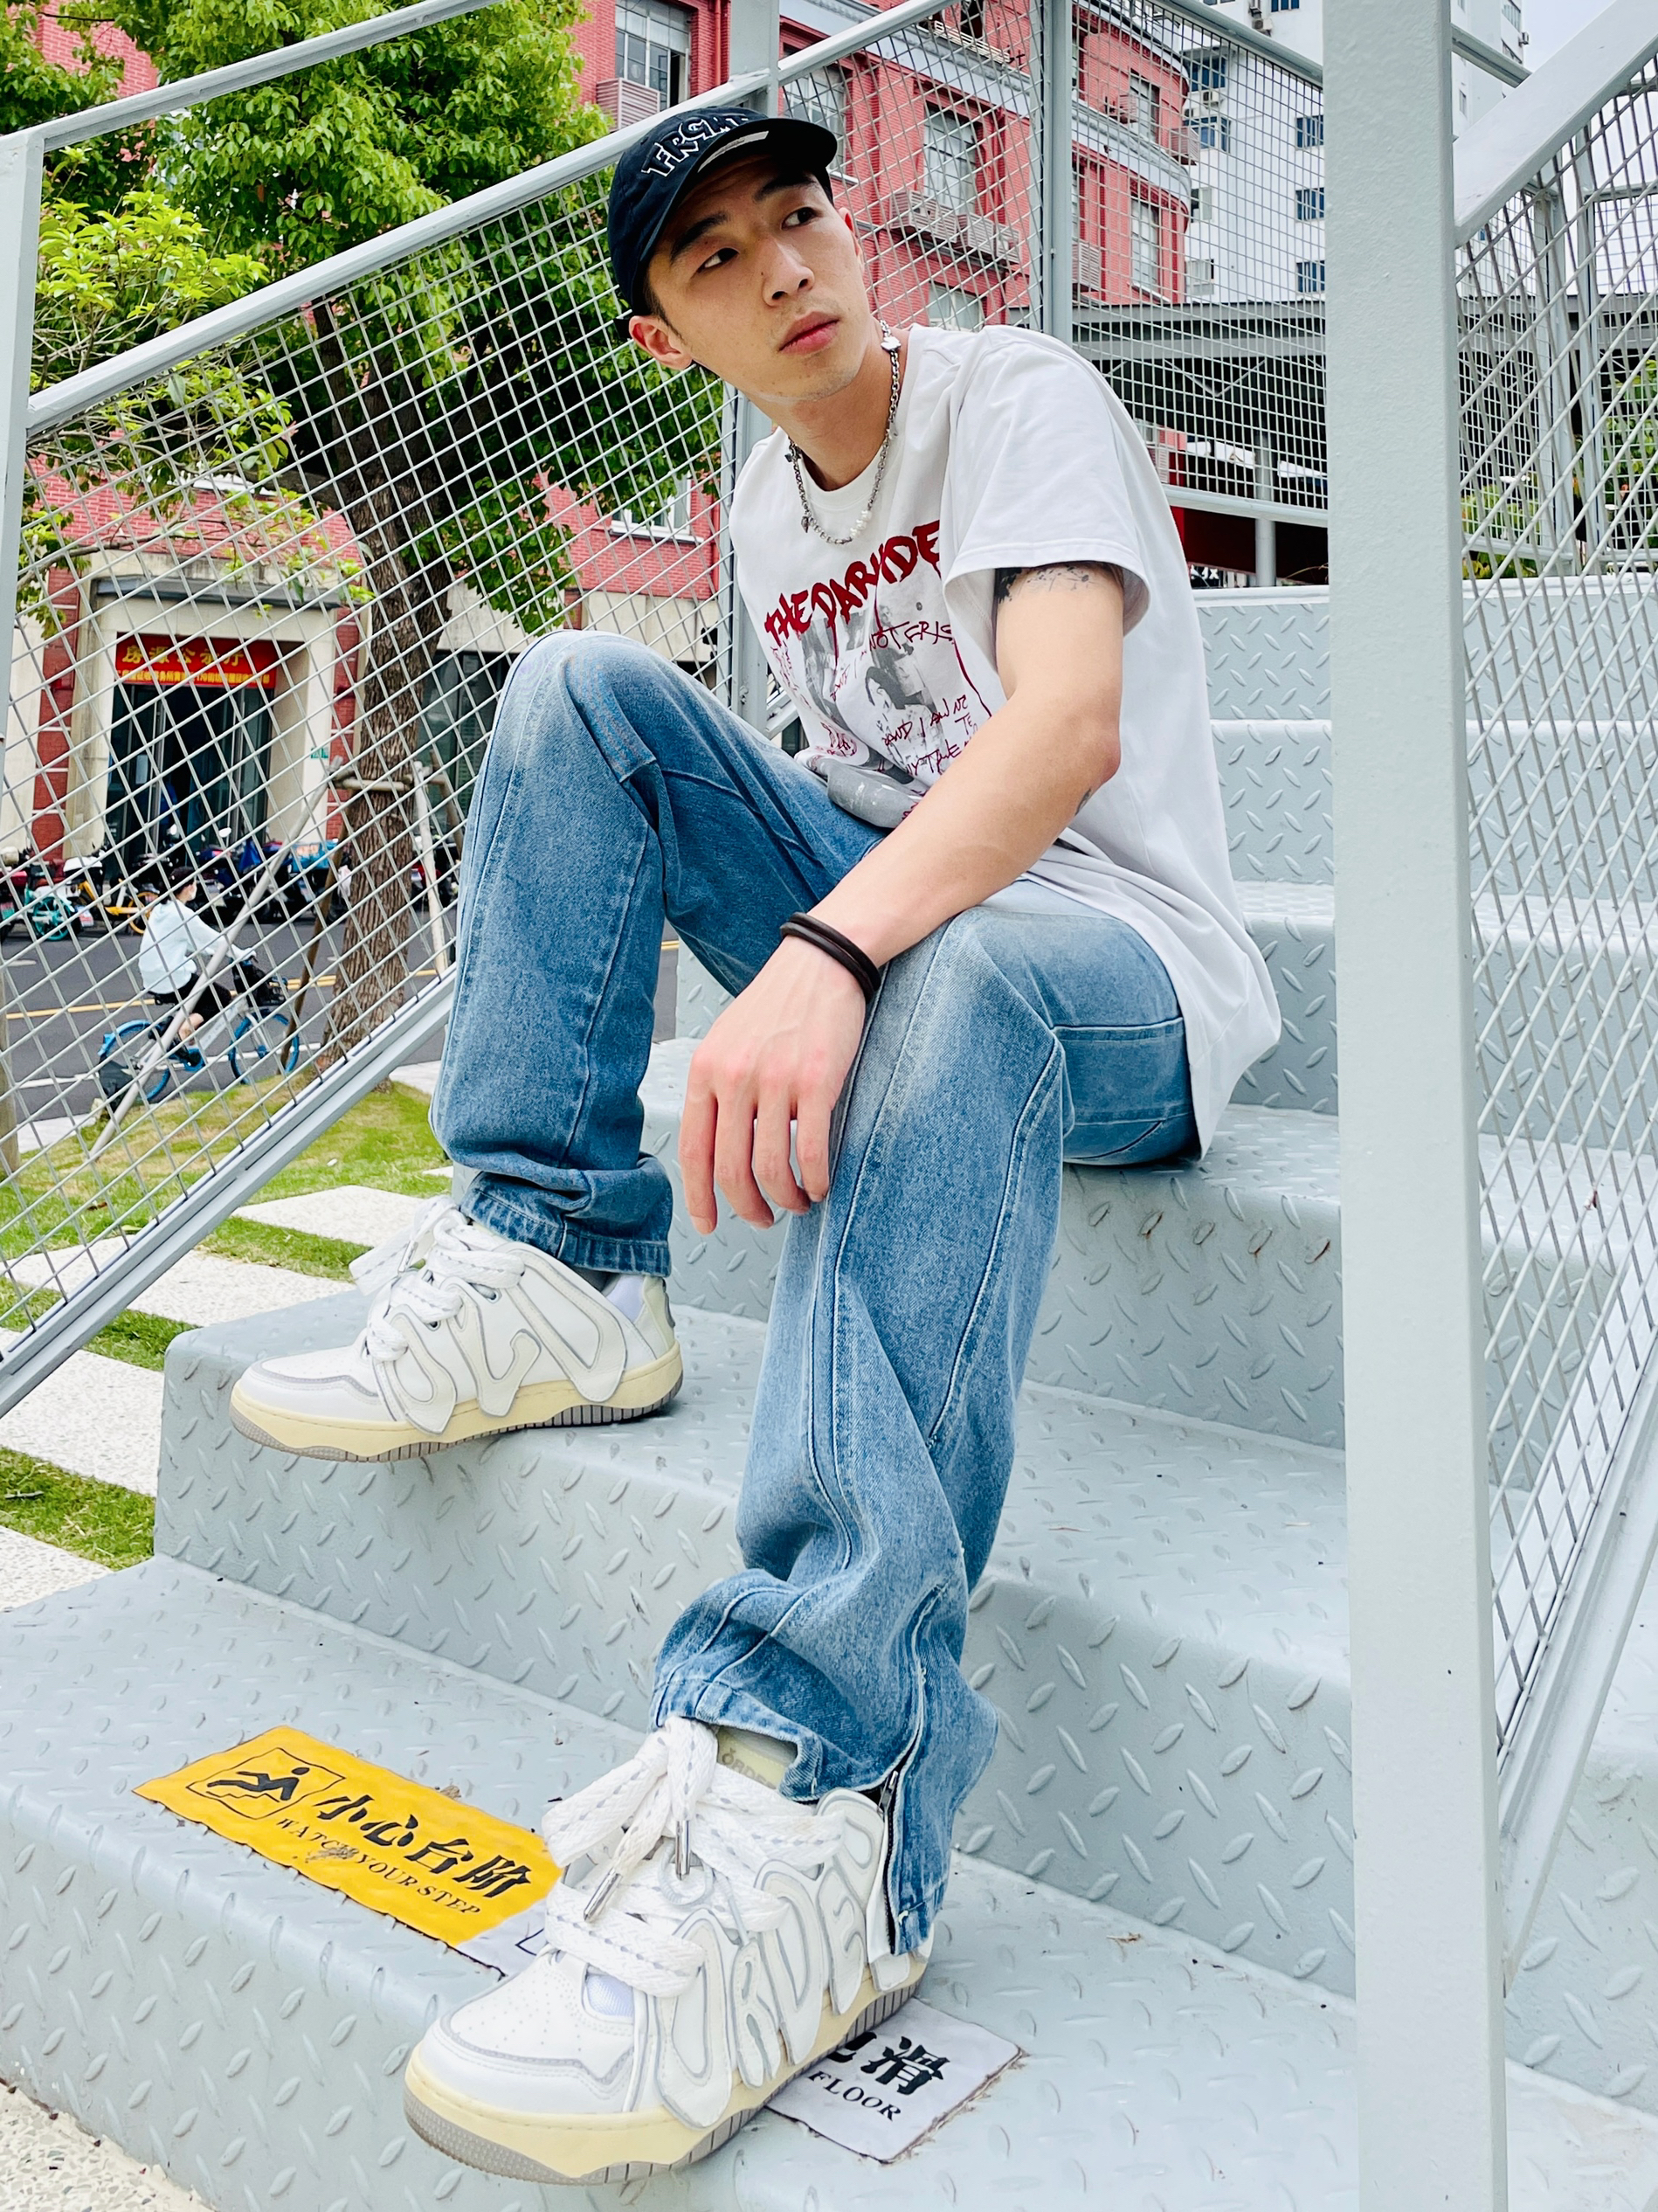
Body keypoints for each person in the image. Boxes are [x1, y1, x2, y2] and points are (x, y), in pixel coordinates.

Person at [228, 105, 1279, 2186]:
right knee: (575, 688)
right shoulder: (761, 508)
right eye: (714, 257)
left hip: (1121, 973)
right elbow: (837, 774)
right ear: (663, 337)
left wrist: (821, 952)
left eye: (799, 216)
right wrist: (823, 935)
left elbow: (1060, 725)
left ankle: (822, 1782)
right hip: (912, 925)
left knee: (947, 976)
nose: (784, 266)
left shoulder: (1014, 399)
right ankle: (559, 1257)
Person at [136, 850, 276, 1041]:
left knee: (197, 995)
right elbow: (214, 940)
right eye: (194, 883)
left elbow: (189, 942)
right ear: (187, 887)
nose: (196, 887)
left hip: (151, 975)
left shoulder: (161, 908)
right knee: (221, 997)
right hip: (170, 978)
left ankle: (180, 1037)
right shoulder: (183, 915)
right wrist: (240, 954)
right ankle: (185, 1030)